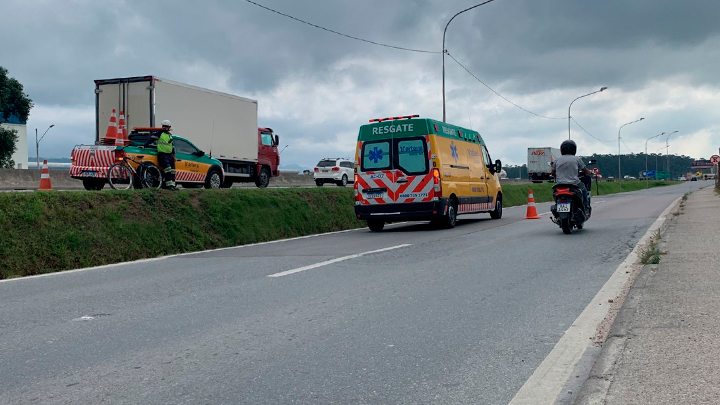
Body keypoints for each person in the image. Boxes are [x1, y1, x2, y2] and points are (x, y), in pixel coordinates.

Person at [551, 139, 592, 214]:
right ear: (574, 149)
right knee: (584, 191)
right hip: (574, 184)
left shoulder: (557, 159)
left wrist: (558, 176)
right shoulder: (577, 159)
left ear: (562, 149)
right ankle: (586, 209)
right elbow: (586, 171)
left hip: (559, 184)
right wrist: (590, 172)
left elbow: (552, 172)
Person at [142, 120, 177, 191]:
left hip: (170, 155)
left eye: (166, 126)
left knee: (172, 171)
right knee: (167, 169)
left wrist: (174, 155)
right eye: (163, 126)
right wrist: (144, 145)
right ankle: (168, 186)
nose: (164, 127)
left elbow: (172, 146)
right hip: (163, 154)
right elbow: (151, 139)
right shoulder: (159, 133)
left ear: (169, 127)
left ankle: (172, 185)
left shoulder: (169, 135)